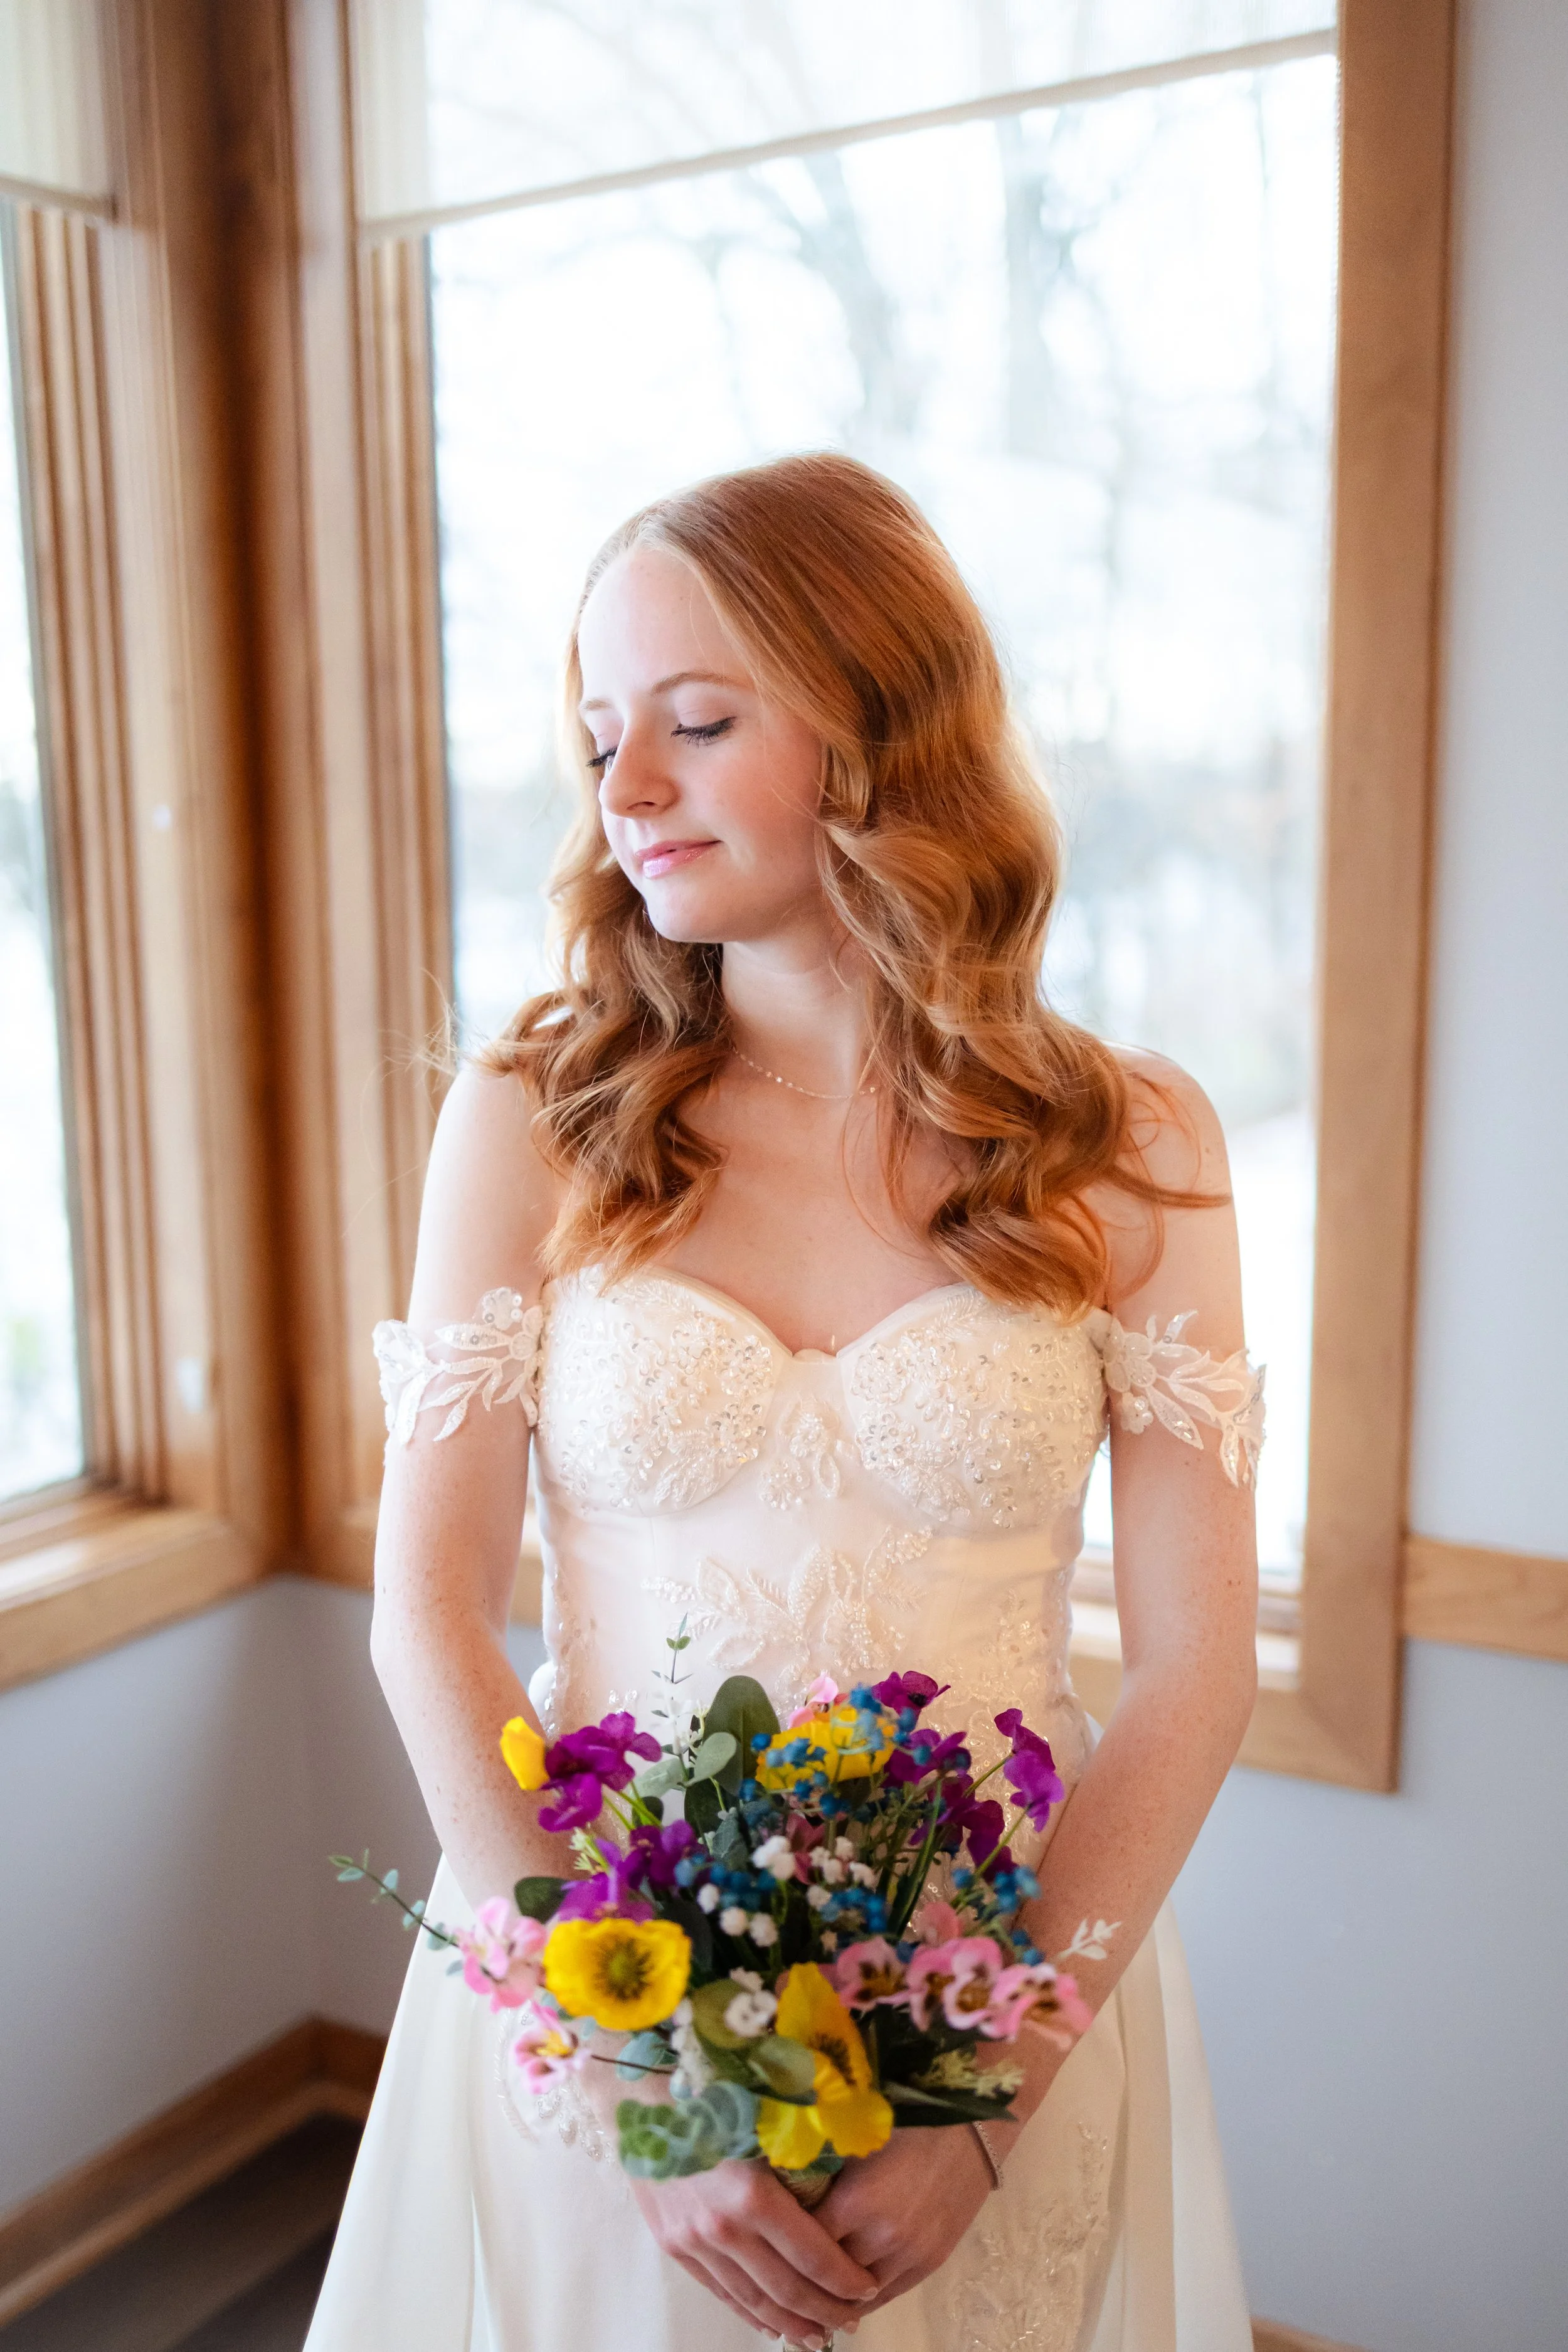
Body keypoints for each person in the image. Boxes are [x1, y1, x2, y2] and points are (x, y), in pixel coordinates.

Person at [305, 452, 1264, 2352]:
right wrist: (628, 2070)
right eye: (600, 739)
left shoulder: (1123, 1141)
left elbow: (1191, 1666)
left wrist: (987, 2097)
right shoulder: (532, 1112)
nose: (627, 790)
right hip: (607, 1998)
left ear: (880, 717)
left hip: (995, 2007)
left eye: (696, 720)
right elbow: (427, 1612)